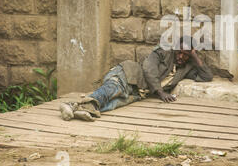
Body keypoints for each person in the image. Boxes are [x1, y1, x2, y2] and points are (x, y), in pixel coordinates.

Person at [59, 37, 213, 122]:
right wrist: (160, 92)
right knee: (112, 89)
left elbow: (206, 76)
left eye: (185, 55)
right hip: (126, 75)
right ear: (175, 49)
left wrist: (194, 55)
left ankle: (81, 109)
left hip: (136, 93)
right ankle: (73, 105)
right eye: (179, 53)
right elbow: (148, 68)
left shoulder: (185, 68)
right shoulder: (163, 52)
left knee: (112, 104)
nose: (181, 57)